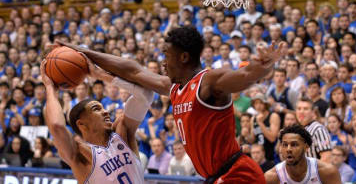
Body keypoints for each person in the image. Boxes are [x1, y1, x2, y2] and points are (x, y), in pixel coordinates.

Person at [58, 25, 288, 183]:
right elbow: (133, 70)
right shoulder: (174, 87)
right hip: (216, 177)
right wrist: (84, 53)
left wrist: (265, 65)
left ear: (184, 57)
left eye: (166, 55)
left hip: (238, 175)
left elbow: (246, 75)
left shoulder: (208, 82)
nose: (162, 61)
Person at [40, 55, 154, 183]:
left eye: (103, 108)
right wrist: (50, 88)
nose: (105, 112)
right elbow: (56, 126)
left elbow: (146, 94)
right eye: (96, 109)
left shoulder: (122, 133)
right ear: (81, 124)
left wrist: (101, 75)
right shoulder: (81, 154)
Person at [264, 125, 341, 184]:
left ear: (306, 147)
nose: (288, 149)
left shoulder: (327, 172)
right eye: (285, 145)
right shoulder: (271, 177)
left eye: (294, 144)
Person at [295, 97, 333, 163]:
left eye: (305, 109)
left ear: (313, 112)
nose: (301, 111)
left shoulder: (318, 129)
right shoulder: (298, 129)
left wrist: (313, 173)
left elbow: (326, 157)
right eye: (299, 109)